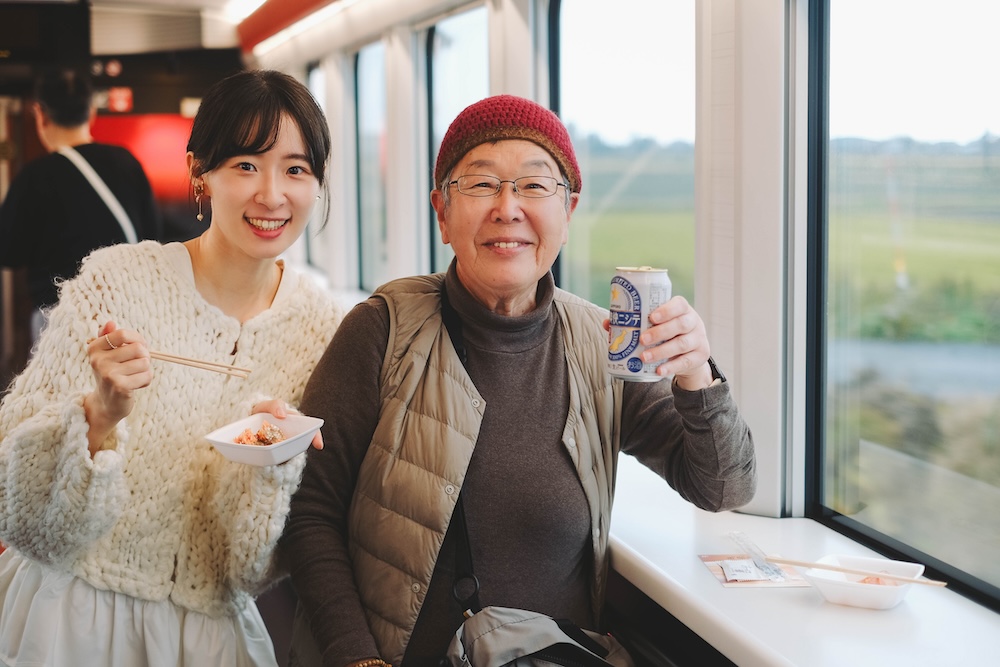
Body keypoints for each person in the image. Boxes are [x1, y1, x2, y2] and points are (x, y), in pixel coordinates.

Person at [280, 94, 757, 667]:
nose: (508, 208)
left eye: (535, 186)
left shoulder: (598, 342)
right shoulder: (383, 330)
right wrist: (356, 658)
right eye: (481, 185)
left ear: (569, 211)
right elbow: (310, 511)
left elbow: (723, 489)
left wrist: (696, 377)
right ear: (442, 213)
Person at [0, 69, 343, 666]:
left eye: (296, 169)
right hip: (70, 620)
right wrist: (98, 417)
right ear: (200, 173)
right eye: (245, 165)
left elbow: (250, 571)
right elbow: (25, 518)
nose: (271, 194)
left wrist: (268, 470)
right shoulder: (114, 282)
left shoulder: (323, 332)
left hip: (207, 639)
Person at [0, 67, 162, 346]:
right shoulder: (126, 162)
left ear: (41, 113)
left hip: (60, 321)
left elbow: (8, 252)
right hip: (125, 315)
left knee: (59, 389)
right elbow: (153, 236)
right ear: (91, 112)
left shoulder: (35, 176)